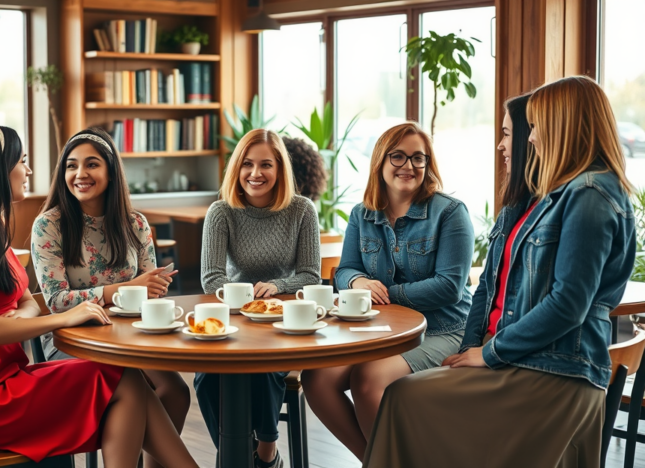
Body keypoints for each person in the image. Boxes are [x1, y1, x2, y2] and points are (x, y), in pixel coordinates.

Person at [363, 76, 637, 467]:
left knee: (403, 398)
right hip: (526, 360)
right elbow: (489, 290)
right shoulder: (554, 195)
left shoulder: (589, 193)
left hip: (554, 368)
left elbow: (568, 304)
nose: (529, 137)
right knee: (402, 399)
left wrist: (489, 353)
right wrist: (472, 351)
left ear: (562, 124)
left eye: (535, 126)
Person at [0, 124, 198, 467]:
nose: (29, 170)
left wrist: (21, 315)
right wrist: (64, 317)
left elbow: (25, 300)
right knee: (124, 379)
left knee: (132, 380)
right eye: (21, 161)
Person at [301, 122, 474, 462]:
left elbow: (449, 287)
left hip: (443, 328)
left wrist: (387, 294)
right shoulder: (362, 214)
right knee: (317, 379)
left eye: (418, 158)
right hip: (382, 331)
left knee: (368, 379)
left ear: (428, 164)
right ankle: (376, 461)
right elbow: (345, 271)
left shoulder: (451, 213)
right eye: (398, 156)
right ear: (380, 161)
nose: (408, 166)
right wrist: (358, 282)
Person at [31, 127, 189, 468]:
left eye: (92, 164)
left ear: (111, 171)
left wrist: (155, 288)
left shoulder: (136, 223)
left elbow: (149, 290)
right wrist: (126, 289)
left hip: (130, 337)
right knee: (135, 387)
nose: (80, 174)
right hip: (72, 340)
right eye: (72, 166)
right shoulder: (49, 225)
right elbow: (56, 300)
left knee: (176, 391)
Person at [199, 128, 321, 468]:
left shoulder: (302, 210)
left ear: (280, 169)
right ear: (237, 168)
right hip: (234, 321)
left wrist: (277, 286)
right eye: (247, 164)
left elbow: (311, 276)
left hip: (283, 321)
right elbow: (211, 279)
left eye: (266, 164)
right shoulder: (221, 212)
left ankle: (267, 455)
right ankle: (236, 455)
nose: (256, 173)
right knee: (206, 378)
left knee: (264, 369)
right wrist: (246, 297)